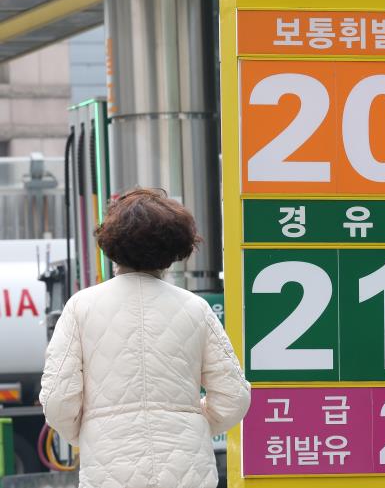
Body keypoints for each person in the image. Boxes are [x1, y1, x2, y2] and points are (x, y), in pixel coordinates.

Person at [40, 188, 250, 488]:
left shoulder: (81, 307)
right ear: (175, 249)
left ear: (111, 245)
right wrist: (191, 421)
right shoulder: (195, 308)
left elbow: (58, 399)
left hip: (108, 470)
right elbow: (234, 397)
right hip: (187, 471)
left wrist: (87, 431)